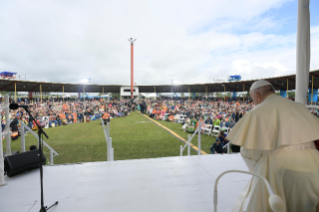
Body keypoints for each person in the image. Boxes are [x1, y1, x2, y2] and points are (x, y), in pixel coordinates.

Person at [227, 80, 319, 212]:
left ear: (257, 96)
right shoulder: (299, 107)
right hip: (313, 162)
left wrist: (256, 168)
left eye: (253, 99)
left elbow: (249, 152)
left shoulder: (257, 112)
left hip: (277, 169)